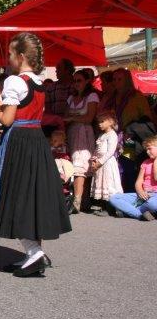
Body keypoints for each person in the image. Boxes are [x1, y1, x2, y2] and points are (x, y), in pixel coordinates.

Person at [0, 32, 71, 277]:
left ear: (21, 56)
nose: (8, 58)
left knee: (16, 194)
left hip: (19, 141)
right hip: (36, 140)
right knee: (31, 197)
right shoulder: (39, 82)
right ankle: (31, 254)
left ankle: (34, 252)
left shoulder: (15, 81)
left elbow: (7, 119)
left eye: (11, 54)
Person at [64, 68, 99, 212]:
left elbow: (89, 118)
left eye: (79, 80)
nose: (76, 83)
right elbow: (65, 116)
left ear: (86, 81)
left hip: (84, 133)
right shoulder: (71, 98)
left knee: (81, 165)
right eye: (75, 81)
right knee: (73, 164)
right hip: (72, 132)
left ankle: (77, 200)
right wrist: (75, 117)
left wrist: (73, 117)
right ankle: (82, 199)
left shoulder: (92, 96)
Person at [109, 135, 157, 221]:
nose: (147, 152)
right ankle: (140, 215)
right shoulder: (145, 163)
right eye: (146, 149)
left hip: (154, 196)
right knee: (114, 198)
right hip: (143, 195)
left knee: (152, 204)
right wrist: (140, 191)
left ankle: (130, 210)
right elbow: (138, 182)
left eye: (150, 149)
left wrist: (156, 162)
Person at [90, 111, 123, 216]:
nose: (100, 124)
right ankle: (101, 204)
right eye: (98, 122)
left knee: (108, 183)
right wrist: (94, 159)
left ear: (111, 122)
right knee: (101, 182)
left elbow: (110, 151)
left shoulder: (112, 135)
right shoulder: (101, 135)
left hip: (107, 163)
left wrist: (100, 162)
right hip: (100, 163)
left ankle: (110, 208)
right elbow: (97, 149)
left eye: (102, 121)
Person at [43, 58, 75, 135]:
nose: (56, 71)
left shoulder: (76, 86)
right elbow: (48, 109)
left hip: (74, 126)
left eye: (59, 68)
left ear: (67, 70)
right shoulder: (50, 88)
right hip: (56, 127)